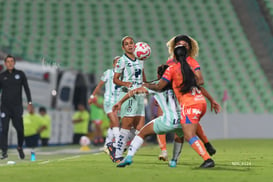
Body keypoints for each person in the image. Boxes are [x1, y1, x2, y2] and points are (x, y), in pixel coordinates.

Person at [143, 45, 217, 168]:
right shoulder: (190, 68)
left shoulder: (172, 69)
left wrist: (146, 85)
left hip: (190, 104)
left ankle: (207, 159)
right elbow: (200, 83)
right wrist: (210, 100)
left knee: (188, 134)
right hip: (201, 102)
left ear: (175, 57)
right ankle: (207, 144)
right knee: (189, 126)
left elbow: (159, 86)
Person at [114, 64, 184, 168]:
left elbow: (135, 91)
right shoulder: (178, 84)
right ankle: (174, 161)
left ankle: (129, 157)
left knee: (142, 133)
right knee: (179, 137)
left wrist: (120, 102)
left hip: (167, 121)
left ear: (159, 75)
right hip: (182, 121)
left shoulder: (157, 85)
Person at [107, 36, 146, 163]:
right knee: (127, 125)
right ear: (123, 47)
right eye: (126, 44)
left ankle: (114, 145)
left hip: (140, 96)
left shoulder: (141, 59)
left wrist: (147, 86)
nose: (130, 45)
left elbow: (143, 78)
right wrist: (125, 83)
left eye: (131, 43)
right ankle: (118, 155)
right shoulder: (122, 61)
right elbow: (115, 79)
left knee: (140, 128)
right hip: (128, 96)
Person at [0, 55, 33, 160]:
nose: (10, 63)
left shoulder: (20, 74)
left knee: (20, 129)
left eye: (11, 61)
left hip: (17, 107)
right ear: (5, 63)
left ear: (14, 63)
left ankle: (19, 146)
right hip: (5, 107)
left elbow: (27, 88)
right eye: (8, 61)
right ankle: (4, 151)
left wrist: (29, 102)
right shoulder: (1, 76)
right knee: (4, 129)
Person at [88, 56, 121, 151]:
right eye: (117, 62)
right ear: (113, 64)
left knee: (114, 123)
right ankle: (118, 145)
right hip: (109, 101)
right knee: (115, 122)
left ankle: (107, 144)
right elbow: (99, 86)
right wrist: (92, 96)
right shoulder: (108, 73)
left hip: (118, 102)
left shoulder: (125, 74)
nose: (118, 64)